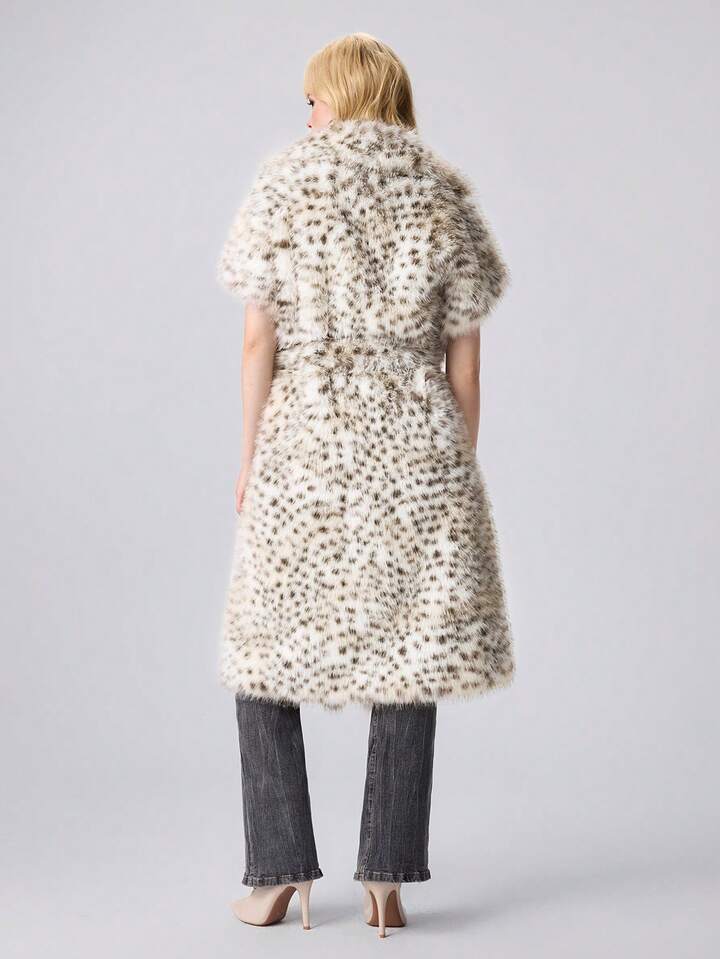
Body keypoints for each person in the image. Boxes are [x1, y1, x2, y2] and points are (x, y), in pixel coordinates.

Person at [215, 32, 515, 938]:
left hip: (305, 439)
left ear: (341, 99)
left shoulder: (285, 184)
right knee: (412, 648)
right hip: (418, 440)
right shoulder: (441, 194)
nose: (308, 115)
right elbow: (466, 364)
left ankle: (278, 873)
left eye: (314, 98)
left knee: (263, 647)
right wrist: (453, 466)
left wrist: (249, 456)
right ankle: (386, 878)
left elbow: (258, 340)